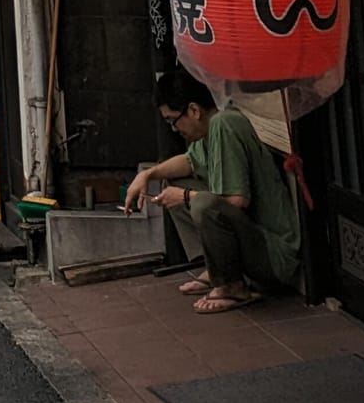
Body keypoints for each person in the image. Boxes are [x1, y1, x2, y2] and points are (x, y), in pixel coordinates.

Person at [124, 67, 302, 315]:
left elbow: (236, 201)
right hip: (253, 241)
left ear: (194, 110)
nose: (175, 130)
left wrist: (184, 198)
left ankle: (233, 286)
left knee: (200, 203)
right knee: (177, 185)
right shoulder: (210, 131)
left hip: (275, 255)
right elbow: (188, 161)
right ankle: (215, 268)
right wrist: (147, 175)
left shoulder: (224, 124)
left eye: (173, 121)